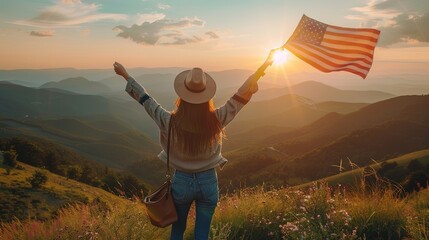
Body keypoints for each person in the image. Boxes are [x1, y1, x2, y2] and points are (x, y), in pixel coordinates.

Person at [113, 49, 276, 240]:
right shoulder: (216, 119)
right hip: (208, 181)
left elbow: (146, 101)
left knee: (177, 230)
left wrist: (126, 76)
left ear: (182, 95)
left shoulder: (170, 121)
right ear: (206, 96)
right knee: (202, 234)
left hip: (181, 182)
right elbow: (239, 98)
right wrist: (263, 67)